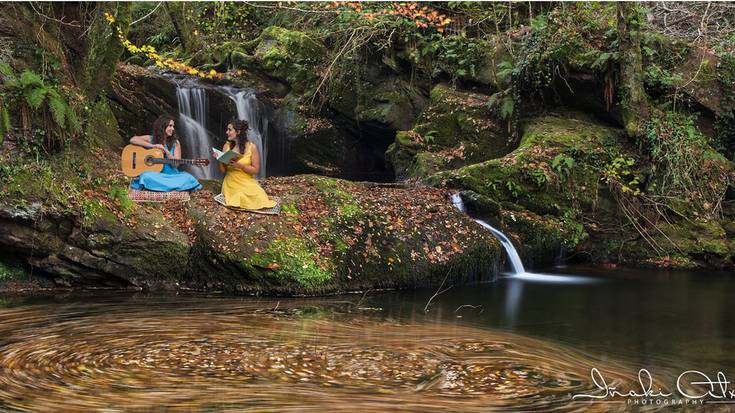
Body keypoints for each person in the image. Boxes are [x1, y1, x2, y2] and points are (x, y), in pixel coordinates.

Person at [129, 115, 202, 192]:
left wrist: (167, 152)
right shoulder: (151, 139)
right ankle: (170, 187)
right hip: (155, 175)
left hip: (171, 176)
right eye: (170, 126)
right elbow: (133, 139)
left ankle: (158, 187)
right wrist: (153, 146)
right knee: (145, 176)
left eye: (173, 126)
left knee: (188, 177)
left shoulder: (175, 143)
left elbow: (177, 164)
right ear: (162, 126)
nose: (173, 129)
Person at [216, 119, 276, 209]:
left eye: (229, 130)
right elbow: (223, 170)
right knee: (239, 196)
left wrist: (241, 166)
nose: (227, 132)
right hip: (231, 181)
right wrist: (220, 159)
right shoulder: (226, 146)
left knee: (259, 195)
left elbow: (255, 170)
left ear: (238, 132)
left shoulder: (252, 147)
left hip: (247, 180)